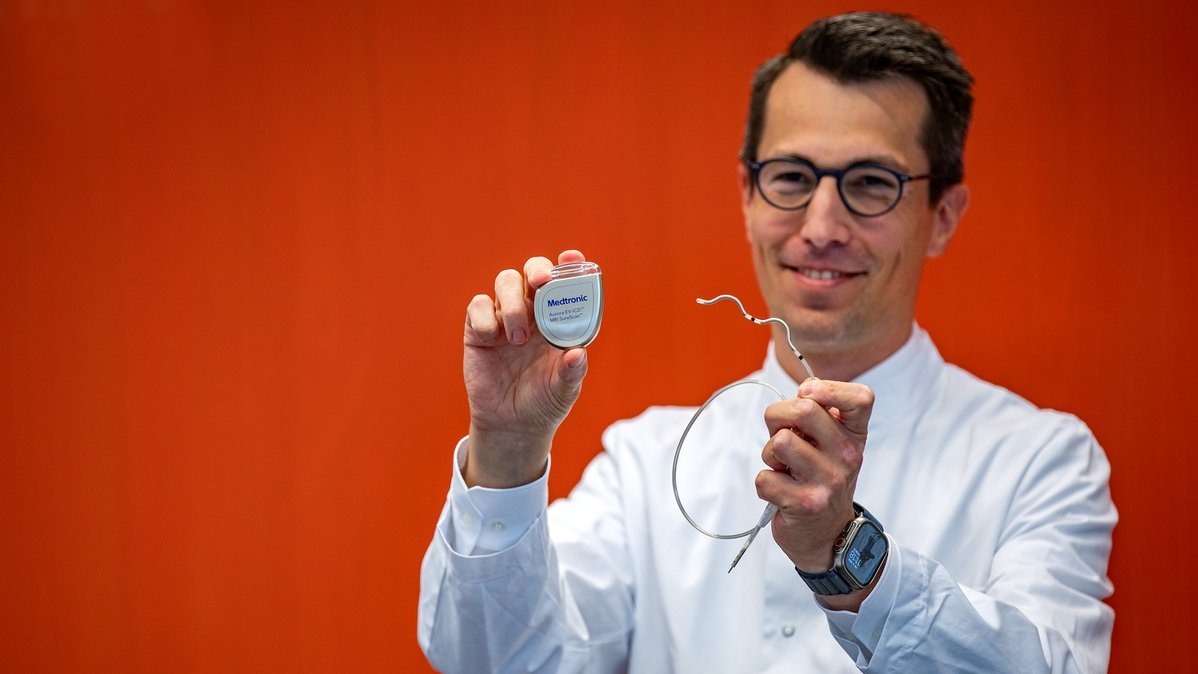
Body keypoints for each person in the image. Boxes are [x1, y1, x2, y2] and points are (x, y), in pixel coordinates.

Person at [418, 11, 1115, 673]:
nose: (820, 226)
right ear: (748, 196)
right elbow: (496, 662)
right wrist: (505, 452)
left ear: (942, 217)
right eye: (791, 178)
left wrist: (849, 558)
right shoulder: (645, 467)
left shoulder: (1040, 461)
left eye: (871, 184)